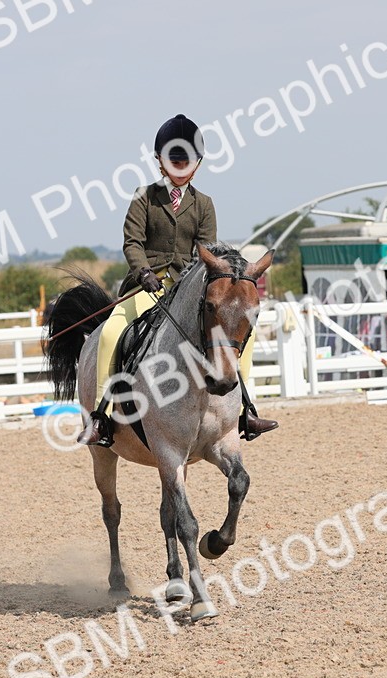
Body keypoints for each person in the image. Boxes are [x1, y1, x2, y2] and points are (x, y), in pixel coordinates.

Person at [78, 114, 278, 446]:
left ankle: (245, 410)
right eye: (174, 160)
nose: (181, 167)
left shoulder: (204, 204)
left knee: (244, 330)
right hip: (148, 285)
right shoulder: (145, 197)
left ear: (197, 164)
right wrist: (144, 272)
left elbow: (209, 251)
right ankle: (101, 415)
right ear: (160, 160)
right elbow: (132, 242)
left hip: (189, 291)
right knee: (113, 331)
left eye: (187, 161)